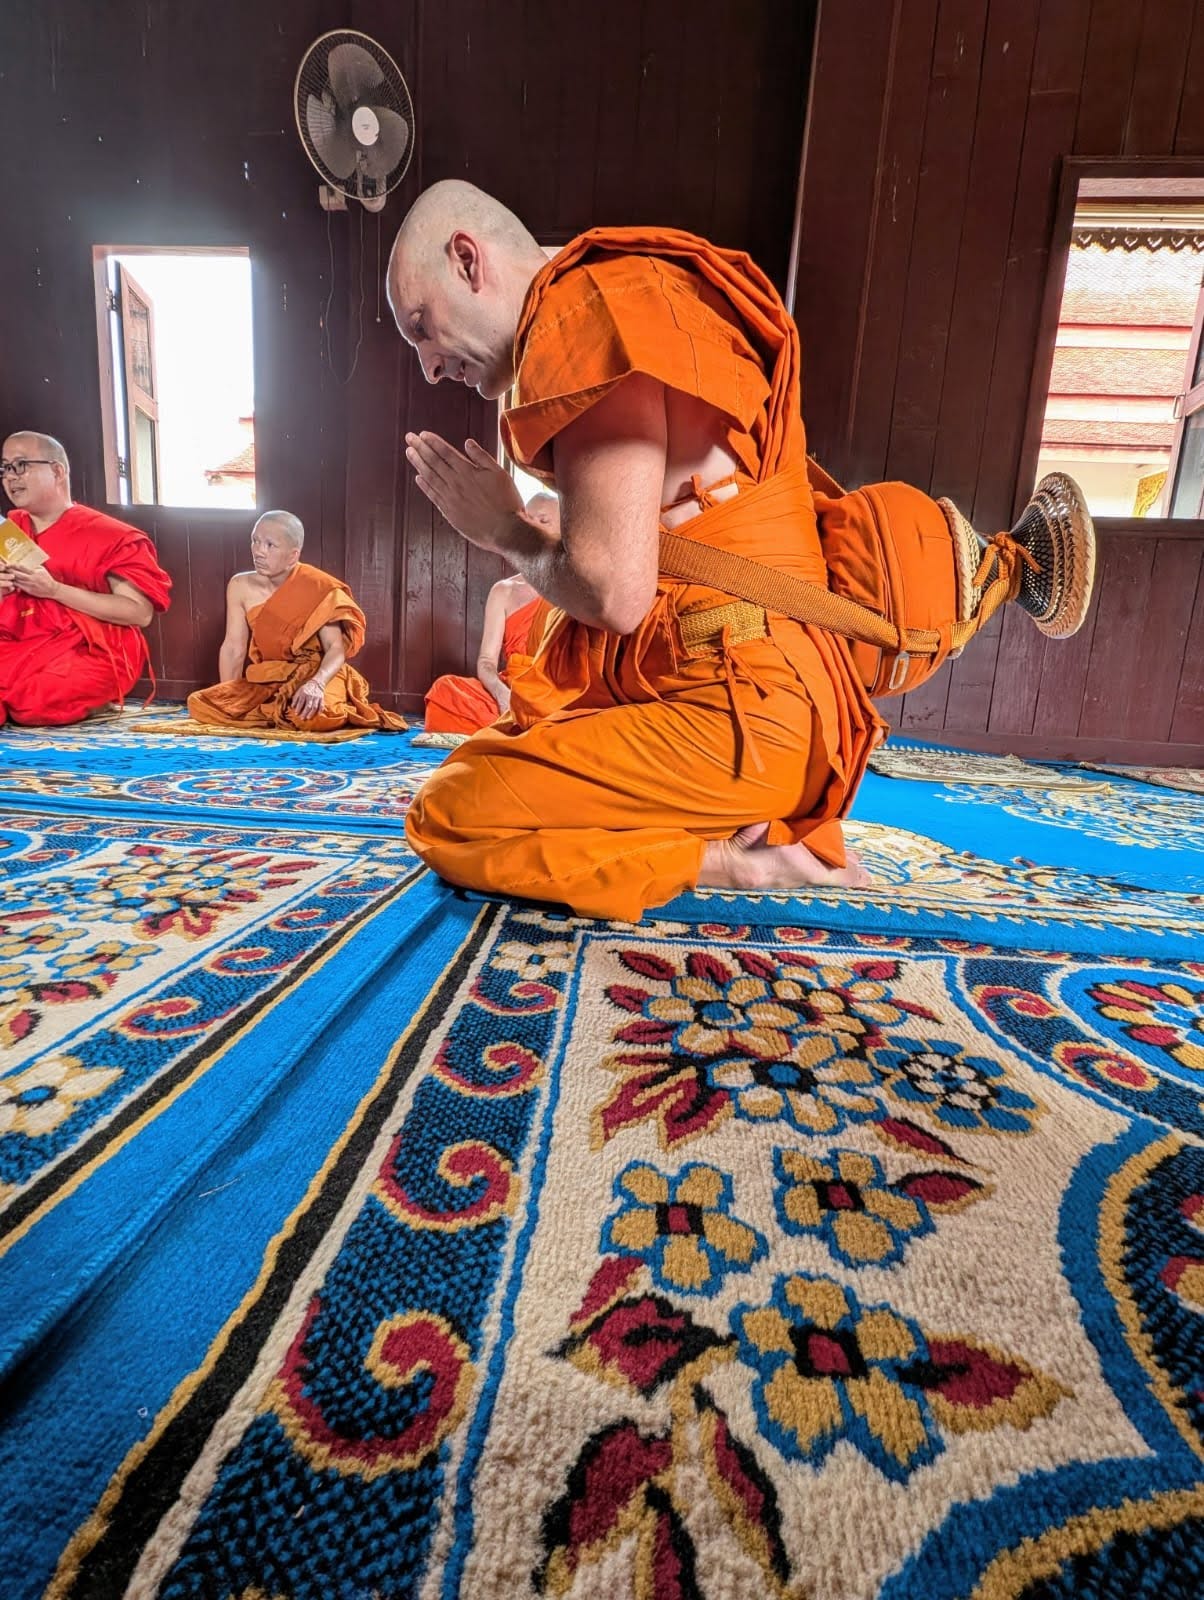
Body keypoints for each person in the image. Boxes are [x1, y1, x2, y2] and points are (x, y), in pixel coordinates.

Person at [388, 181, 1092, 922]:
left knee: (450, 810)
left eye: (422, 328)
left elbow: (614, 595)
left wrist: (503, 529)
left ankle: (731, 860)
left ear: (469, 260)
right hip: (763, 701)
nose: (431, 367)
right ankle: (716, 818)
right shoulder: (631, 292)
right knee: (517, 732)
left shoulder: (582, 312)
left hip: (734, 709)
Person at [0, 431, 172, 728]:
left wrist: (54, 589)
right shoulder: (9, 530)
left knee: (35, 702)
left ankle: (90, 702)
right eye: (4, 468)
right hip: (21, 641)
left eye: (21, 465)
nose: (10, 477)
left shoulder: (111, 535)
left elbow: (139, 613)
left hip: (93, 651)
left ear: (57, 470)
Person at [187, 510, 406, 732]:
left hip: (315, 674)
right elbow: (233, 647)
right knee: (201, 703)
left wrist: (317, 684)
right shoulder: (240, 586)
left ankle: (340, 702)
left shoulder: (318, 587)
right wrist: (228, 698)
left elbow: (335, 648)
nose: (258, 551)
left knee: (311, 717)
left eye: (270, 545)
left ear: (293, 555)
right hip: (269, 678)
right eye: (255, 541)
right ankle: (275, 710)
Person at [423, 493, 556, 733]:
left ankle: (522, 728)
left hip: (555, 691)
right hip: (511, 689)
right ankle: (524, 728)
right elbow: (486, 661)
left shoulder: (575, 589)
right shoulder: (504, 590)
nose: (533, 529)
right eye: (529, 522)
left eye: (544, 521)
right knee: (445, 690)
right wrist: (500, 691)